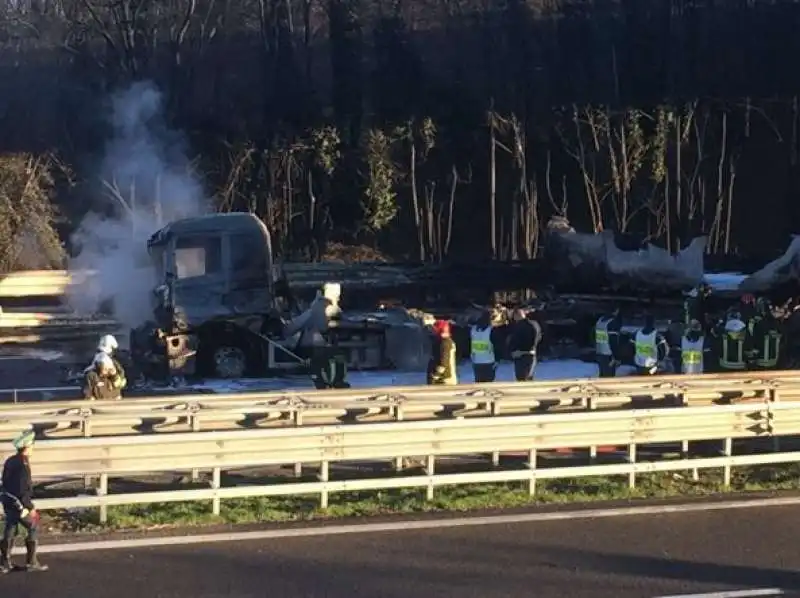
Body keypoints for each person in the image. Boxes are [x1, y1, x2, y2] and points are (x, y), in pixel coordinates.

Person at [284, 282, 350, 389]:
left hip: (323, 345)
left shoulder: (321, 308)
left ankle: (329, 380)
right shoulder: (320, 308)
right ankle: (330, 380)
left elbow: (291, 328)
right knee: (326, 359)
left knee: (333, 358)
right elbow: (293, 328)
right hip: (316, 346)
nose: (338, 296)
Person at [0, 430, 47, 573]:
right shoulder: (23, 464)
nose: (33, 448)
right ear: (26, 446)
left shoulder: (11, 460)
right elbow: (22, 489)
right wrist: (29, 507)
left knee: (11, 527)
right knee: (33, 525)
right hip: (19, 503)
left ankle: (5, 563)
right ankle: (31, 562)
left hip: (7, 499)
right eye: (32, 445)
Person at [506, 308, 542, 381]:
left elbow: (513, 340)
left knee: (521, 379)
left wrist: (512, 351)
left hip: (519, 355)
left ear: (516, 316)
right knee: (529, 377)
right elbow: (538, 337)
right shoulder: (534, 324)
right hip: (531, 353)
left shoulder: (516, 327)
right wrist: (533, 347)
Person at [750, 298, 782, 370]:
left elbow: (755, 342)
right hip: (775, 360)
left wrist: (752, 359)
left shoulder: (759, 323)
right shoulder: (778, 323)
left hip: (761, 361)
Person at [427, 319, 458, 385]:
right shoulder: (441, 342)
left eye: (435, 329)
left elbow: (443, 363)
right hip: (443, 378)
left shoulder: (445, 343)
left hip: (444, 380)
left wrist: (435, 376)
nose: (432, 331)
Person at [470, 311, 497, 383]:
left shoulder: (473, 330)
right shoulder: (491, 330)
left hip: (476, 361)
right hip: (489, 361)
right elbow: (496, 345)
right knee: (489, 385)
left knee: (479, 384)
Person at [594, 308, 622, 377]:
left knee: (602, 375)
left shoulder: (600, 321)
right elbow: (613, 341)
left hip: (599, 352)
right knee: (609, 377)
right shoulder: (612, 322)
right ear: (615, 311)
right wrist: (616, 357)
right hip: (609, 355)